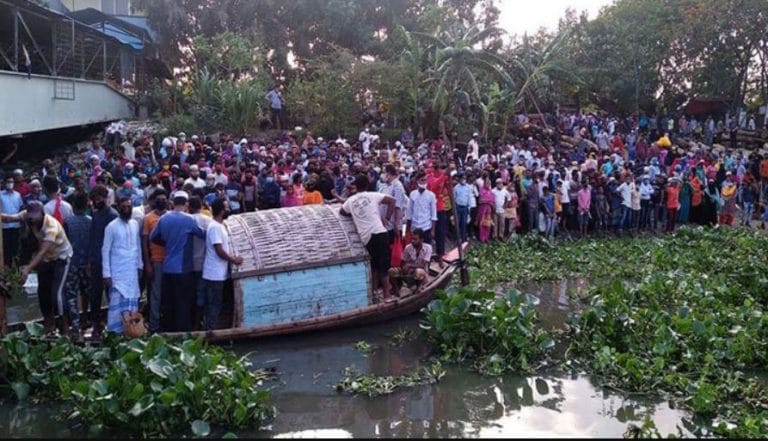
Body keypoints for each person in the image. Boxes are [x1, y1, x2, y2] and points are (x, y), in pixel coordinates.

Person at [1, 201, 79, 337]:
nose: (31, 219)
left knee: (57, 294)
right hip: (46, 259)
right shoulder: (28, 217)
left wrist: (27, 269)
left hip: (61, 258)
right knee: (43, 292)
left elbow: (42, 251)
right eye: (29, 216)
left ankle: (66, 328)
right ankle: (49, 325)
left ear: (42, 214)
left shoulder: (51, 226)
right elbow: (10, 218)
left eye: (34, 216)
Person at [150, 190, 206, 332]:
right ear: (186, 203)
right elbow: (203, 234)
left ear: (172, 203)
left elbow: (153, 237)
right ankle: (182, 334)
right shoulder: (189, 219)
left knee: (169, 303)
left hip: (167, 268)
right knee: (183, 304)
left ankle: (168, 332)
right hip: (184, 270)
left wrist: (167, 243)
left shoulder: (164, 219)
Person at [340, 175, 397, 302]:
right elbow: (392, 201)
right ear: (367, 185)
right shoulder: (373, 195)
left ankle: (373, 293)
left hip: (366, 237)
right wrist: (387, 218)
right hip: (380, 232)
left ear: (356, 186)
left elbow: (342, 212)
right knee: (383, 266)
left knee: (375, 266)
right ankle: (387, 295)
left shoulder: (350, 200)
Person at [102, 196, 143, 334]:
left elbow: (137, 246)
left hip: (131, 271)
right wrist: (106, 274)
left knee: (132, 304)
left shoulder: (135, 224)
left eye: (129, 207)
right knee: (116, 307)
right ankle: (115, 335)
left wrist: (140, 265)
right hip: (117, 273)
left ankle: (131, 332)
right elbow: (105, 250)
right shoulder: (111, 227)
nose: (126, 209)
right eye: (123, 207)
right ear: (118, 208)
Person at [201, 198, 243, 330]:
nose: (228, 209)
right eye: (226, 207)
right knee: (214, 304)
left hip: (219, 273)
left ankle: (211, 329)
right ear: (220, 210)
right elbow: (219, 250)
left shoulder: (220, 226)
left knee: (216, 303)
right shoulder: (214, 227)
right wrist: (233, 259)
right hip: (214, 274)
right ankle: (210, 332)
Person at [63, 192, 91, 338]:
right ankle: (86, 319)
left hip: (72, 263)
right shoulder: (91, 221)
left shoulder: (67, 221)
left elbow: (65, 242)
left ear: (73, 206)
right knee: (86, 292)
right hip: (86, 262)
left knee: (72, 295)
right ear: (86, 205)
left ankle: (75, 324)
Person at [142, 189, 167, 333]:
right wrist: (147, 264)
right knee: (155, 294)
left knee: (167, 293)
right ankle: (154, 325)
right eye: (159, 199)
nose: (162, 202)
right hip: (155, 260)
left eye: (164, 199)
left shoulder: (170, 217)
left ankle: (166, 322)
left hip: (169, 261)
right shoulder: (148, 218)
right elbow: (145, 242)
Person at [388, 228, 432, 297]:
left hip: (422, 274)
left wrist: (409, 265)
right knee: (391, 271)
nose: (412, 241)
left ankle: (418, 288)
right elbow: (402, 262)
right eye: (412, 239)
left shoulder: (428, 248)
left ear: (421, 240)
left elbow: (423, 265)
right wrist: (403, 267)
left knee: (418, 271)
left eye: (415, 239)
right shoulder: (408, 247)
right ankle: (396, 289)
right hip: (409, 274)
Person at [406, 173, 437, 246]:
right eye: (422, 180)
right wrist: (408, 229)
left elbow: (434, 214)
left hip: (426, 227)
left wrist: (432, 230)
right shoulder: (412, 194)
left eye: (425, 180)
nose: (424, 182)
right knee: (414, 248)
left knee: (426, 248)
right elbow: (409, 212)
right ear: (417, 181)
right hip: (414, 227)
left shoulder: (431, 195)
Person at [1, 175, 23, 267]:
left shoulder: (18, 195)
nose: (10, 184)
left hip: (16, 225)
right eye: (8, 182)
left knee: (15, 247)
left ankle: (15, 267)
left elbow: (20, 208)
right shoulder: (0, 194)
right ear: (5, 183)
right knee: (6, 248)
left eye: (12, 182)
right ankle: (7, 266)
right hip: (4, 226)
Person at [476, 178, 495, 243]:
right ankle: (482, 238)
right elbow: (480, 201)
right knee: (481, 223)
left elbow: (492, 202)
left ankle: (486, 238)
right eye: (487, 183)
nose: (488, 184)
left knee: (488, 224)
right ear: (484, 184)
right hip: (482, 209)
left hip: (489, 210)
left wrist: (487, 201)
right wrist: (488, 201)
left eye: (489, 183)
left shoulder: (491, 192)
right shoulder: (481, 190)